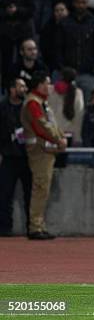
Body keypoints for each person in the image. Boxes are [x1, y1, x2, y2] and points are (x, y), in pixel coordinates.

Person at [20, 71, 67, 240]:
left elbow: (50, 123)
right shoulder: (33, 102)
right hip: (39, 150)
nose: (50, 86)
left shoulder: (41, 102)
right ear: (39, 84)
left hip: (46, 149)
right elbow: (41, 126)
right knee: (40, 187)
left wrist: (60, 136)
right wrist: (58, 139)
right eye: (47, 83)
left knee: (43, 188)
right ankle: (35, 226)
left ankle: (39, 224)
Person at [56, 0, 94, 101]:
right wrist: (62, 68)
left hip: (89, 73)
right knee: (66, 106)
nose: (80, 6)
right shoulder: (64, 23)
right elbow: (58, 47)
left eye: (83, 3)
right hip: (68, 74)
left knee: (90, 106)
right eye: (78, 3)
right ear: (73, 3)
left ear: (87, 4)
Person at [0, 78, 31, 236]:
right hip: (9, 156)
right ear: (12, 89)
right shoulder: (2, 107)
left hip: (28, 156)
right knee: (4, 195)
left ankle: (32, 227)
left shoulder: (30, 106)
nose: (24, 89)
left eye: (25, 86)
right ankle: (4, 228)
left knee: (30, 195)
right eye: (20, 86)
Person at [0, 0, 34, 91]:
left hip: (23, 29)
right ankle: (6, 87)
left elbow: (32, 9)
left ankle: (25, 86)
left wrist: (17, 10)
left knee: (24, 60)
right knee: (5, 61)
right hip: (6, 29)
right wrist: (6, 12)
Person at [48, 67, 84, 167]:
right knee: (61, 164)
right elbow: (78, 116)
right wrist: (77, 137)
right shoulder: (78, 93)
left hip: (51, 131)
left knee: (48, 163)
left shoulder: (50, 90)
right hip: (67, 134)